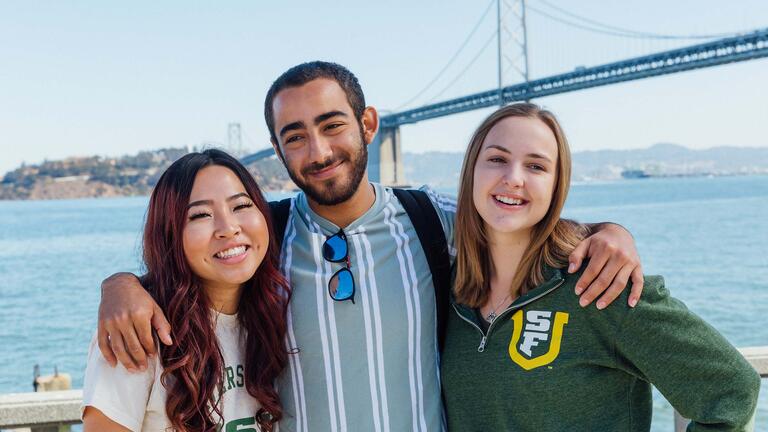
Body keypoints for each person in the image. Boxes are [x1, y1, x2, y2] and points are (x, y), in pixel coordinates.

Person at [96, 61, 645, 431]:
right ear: (277, 147)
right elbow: (188, 271)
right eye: (295, 136)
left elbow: (523, 218)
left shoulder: (436, 221)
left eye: (333, 125)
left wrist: (608, 233)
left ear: (368, 123)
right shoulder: (264, 236)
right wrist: (119, 284)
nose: (318, 150)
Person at [441, 103, 761, 431]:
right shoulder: (447, 292)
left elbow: (732, 391)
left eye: (536, 166)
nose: (513, 178)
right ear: (471, 171)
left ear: (556, 186)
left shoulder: (601, 284)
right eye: (497, 159)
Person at [82, 150, 290, 431]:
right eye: (201, 215)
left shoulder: (273, 317)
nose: (228, 228)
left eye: (240, 206)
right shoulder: (137, 332)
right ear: (170, 234)